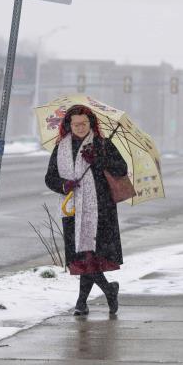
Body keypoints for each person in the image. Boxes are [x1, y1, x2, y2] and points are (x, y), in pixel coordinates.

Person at [45, 105, 128, 315]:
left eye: (84, 123)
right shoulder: (61, 148)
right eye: (76, 124)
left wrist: (99, 160)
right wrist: (64, 185)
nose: (80, 127)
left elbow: (121, 169)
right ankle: (108, 290)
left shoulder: (102, 144)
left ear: (91, 123)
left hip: (101, 210)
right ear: (69, 125)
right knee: (84, 258)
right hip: (73, 210)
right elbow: (50, 178)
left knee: (91, 257)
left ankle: (82, 303)